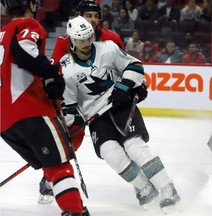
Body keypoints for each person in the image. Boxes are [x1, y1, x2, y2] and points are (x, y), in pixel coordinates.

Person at [60, 16, 181, 212]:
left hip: (121, 105)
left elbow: (134, 65)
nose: (86, 43)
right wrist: (68, 126)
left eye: (89, 38)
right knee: (111, 155)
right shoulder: (66, 69)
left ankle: (168, 189)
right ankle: (145, 188)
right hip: (97, 118)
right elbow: (70, 107)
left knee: (135, 148)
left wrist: (123, 87)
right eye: (81, 40)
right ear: (72, 41)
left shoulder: (107, 48)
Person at [0, 0, 89, 215]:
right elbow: (23, 51)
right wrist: (50, 73)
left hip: (5, 122)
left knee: (50, 164)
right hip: (29, 111)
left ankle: (72, 206)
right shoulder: (28, 25)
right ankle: (74, 211)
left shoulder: (1, 33)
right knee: (59, 164)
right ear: (31, 4)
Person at [39, 0, 125, 205]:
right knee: (70, 138)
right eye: (89, 16)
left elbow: (125, 65)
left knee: (125, 139)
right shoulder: (64, 40)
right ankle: (50, 175)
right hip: (74, 99)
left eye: (96, 16)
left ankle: (142, 184)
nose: (93, 20)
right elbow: (55, 72)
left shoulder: (111, 38)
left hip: (105, 99)